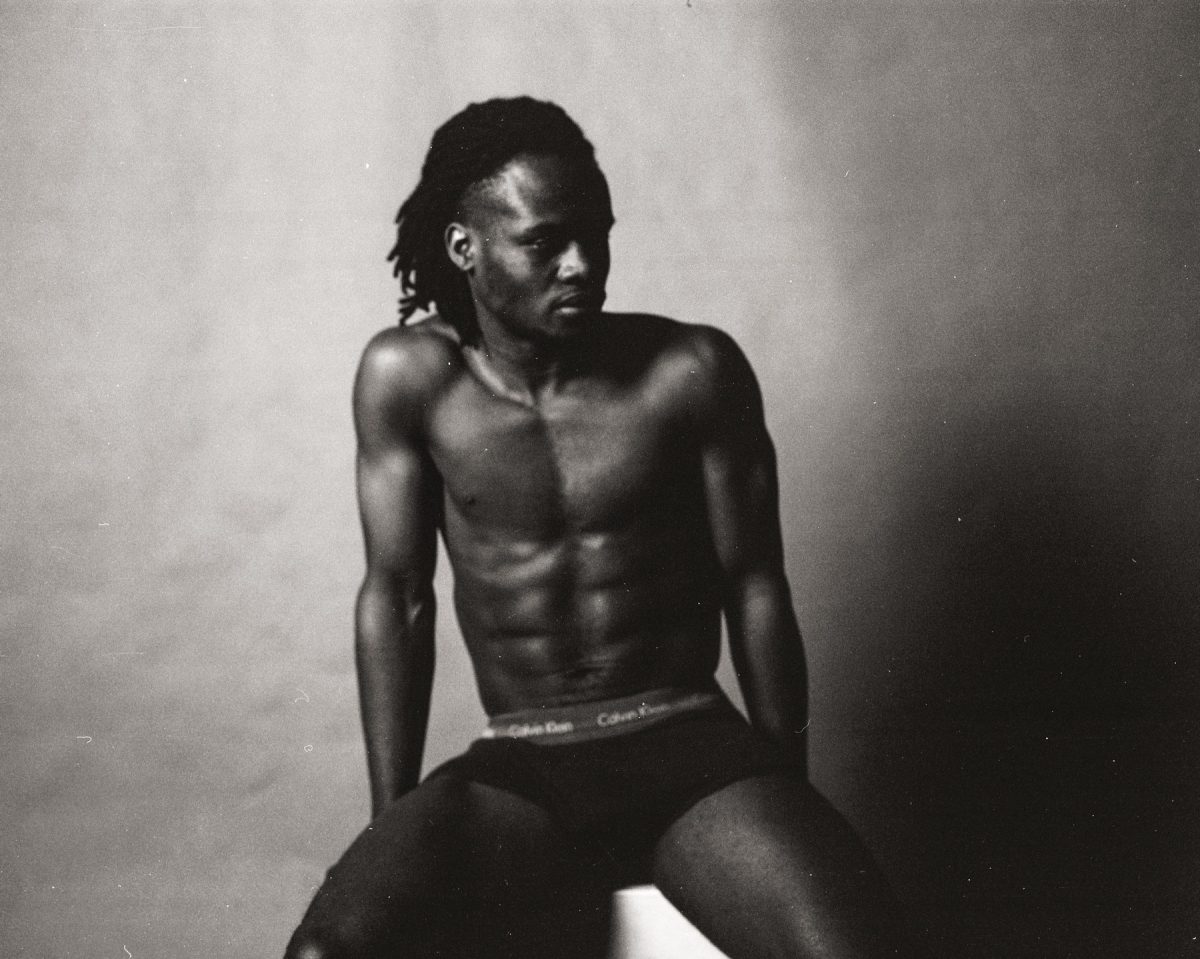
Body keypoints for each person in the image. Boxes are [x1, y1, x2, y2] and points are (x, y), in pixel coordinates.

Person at [286, 97, 912, 959]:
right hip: (523, 767)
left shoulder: (691, 370)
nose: (582, 264)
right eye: (544, 242)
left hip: (691, 751)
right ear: (464, 248)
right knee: (328, 954)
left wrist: (783, 784)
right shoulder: (411, 380)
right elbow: (397, 600)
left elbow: (755, 583)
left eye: (596, 235)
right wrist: (390, 826)